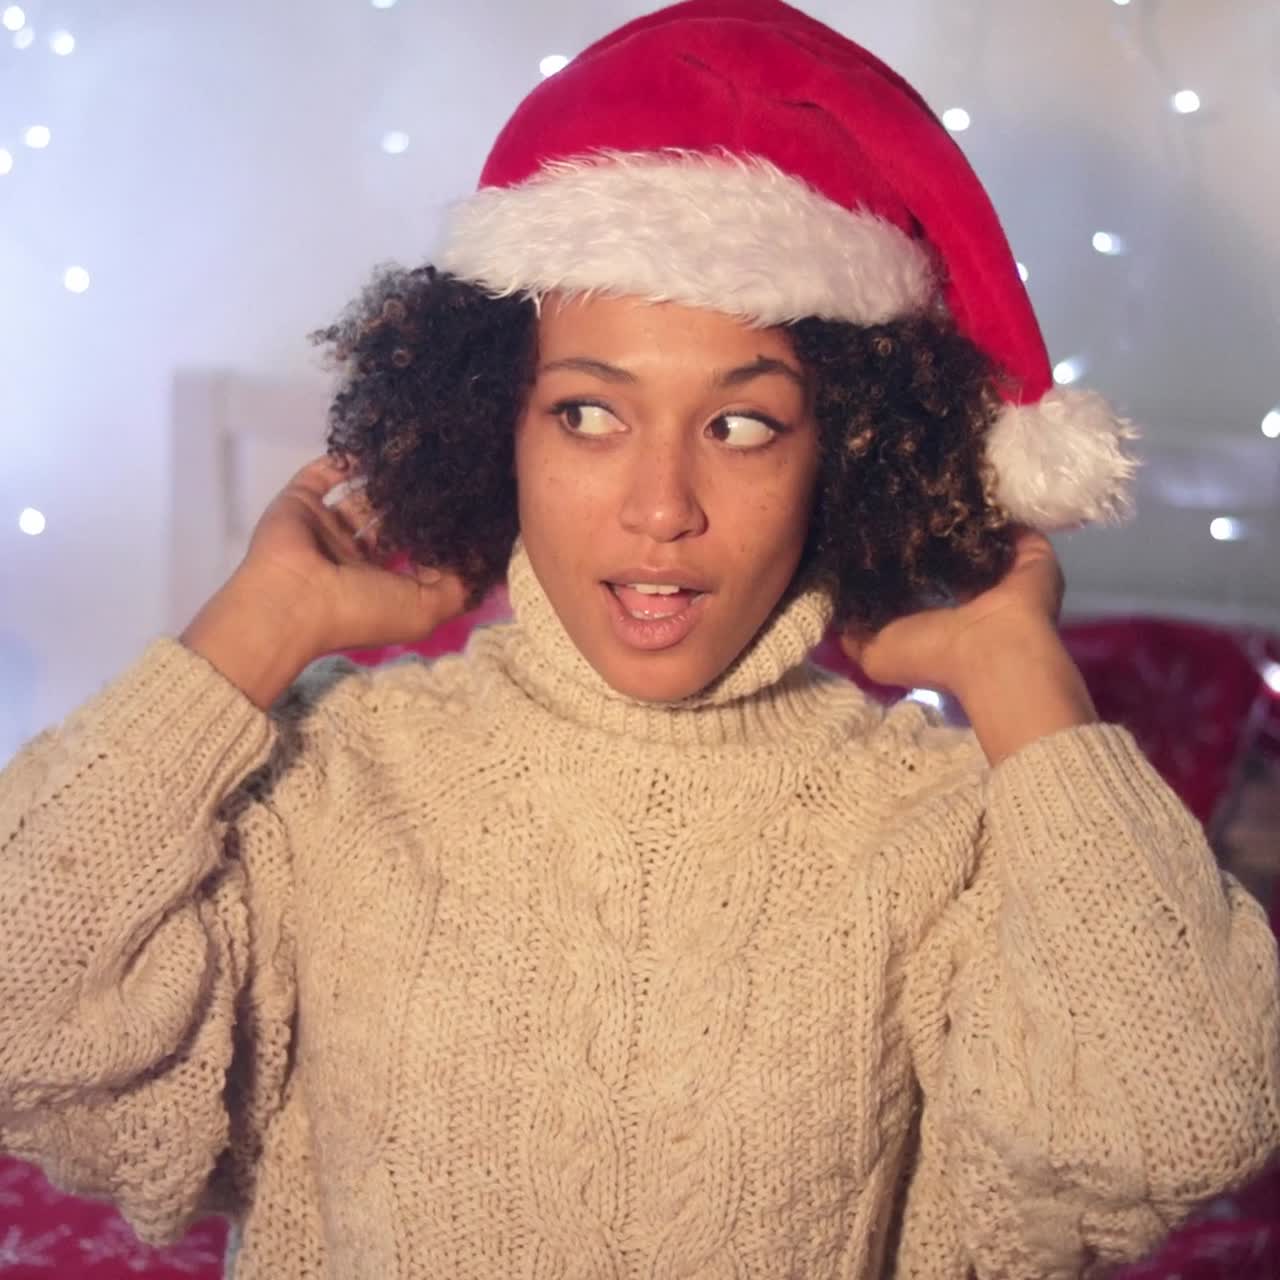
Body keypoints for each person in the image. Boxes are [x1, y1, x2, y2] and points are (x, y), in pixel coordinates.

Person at [2, 1, 1277, 1276]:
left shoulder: (941, 827)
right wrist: (250, 630)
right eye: (587, 414)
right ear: (491, 424)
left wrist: (1023, 679)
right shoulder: (340, 776)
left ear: (848, 451)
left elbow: (1176, 1120)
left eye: (741, 426)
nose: (660, 508)